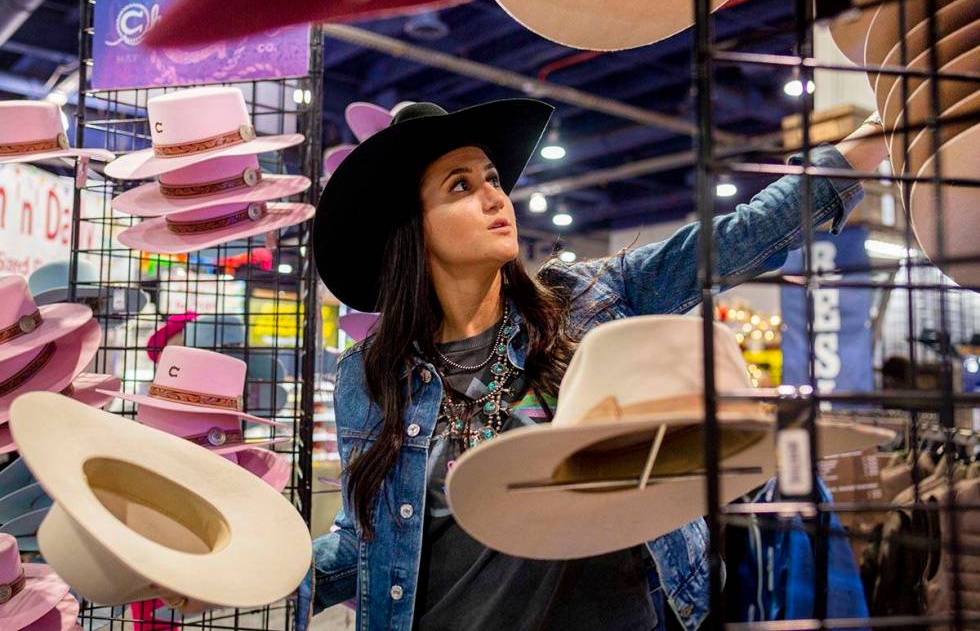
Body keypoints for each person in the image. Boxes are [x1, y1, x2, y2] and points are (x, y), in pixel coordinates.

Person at [303, 99, 889, 631]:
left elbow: (742, 236)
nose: (494, 197)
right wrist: (252, 573)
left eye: (493, 178)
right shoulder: (370, 375)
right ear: (412, 228)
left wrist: (880, 132)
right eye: (460, 186)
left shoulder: (587, 301)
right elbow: (365, 539)